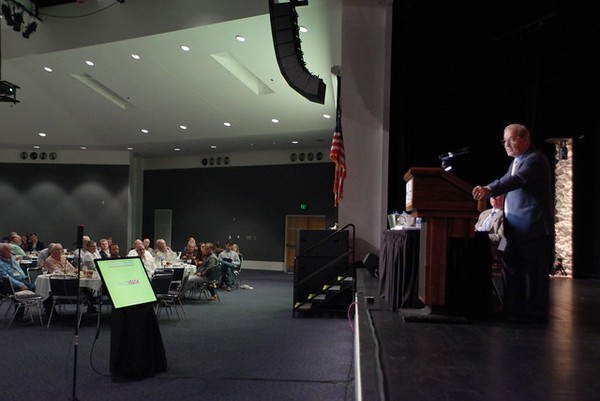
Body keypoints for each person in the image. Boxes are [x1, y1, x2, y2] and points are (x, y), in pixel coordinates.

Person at [472, 123, 553, 323]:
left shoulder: (535, 160)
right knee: (510, 269)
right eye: (504, 141)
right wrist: (489, 188)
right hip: (513, 229)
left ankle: (536, 314)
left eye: (512, 139)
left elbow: (515, 180)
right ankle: (512, 310)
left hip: (532, 228)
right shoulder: (516, 161)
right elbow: (506, 178)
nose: (506, 144)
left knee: (535, 275)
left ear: (526, 139)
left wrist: (489, 189)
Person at [0, 242, 55, 319]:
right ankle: (52, 315)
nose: (11, 252)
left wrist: (24, 277)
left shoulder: (11, 257)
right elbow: (6, 278)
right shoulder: (1, 263)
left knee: (43, 289)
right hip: (11, 285)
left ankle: (50, 313)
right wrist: (20, 285)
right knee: (42, 290)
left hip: (23, 280)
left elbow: (17, 268)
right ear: (1, 253)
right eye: (8, 251)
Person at [474, 194, 505, 261]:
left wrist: (480, 237)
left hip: (490, 248)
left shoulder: (505, 215)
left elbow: (502, 238)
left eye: (497, 194)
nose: (493, 197)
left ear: (504, 198)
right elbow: (475, 229)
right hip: (475, 244)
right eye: (491, 195)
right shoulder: (484, 213)